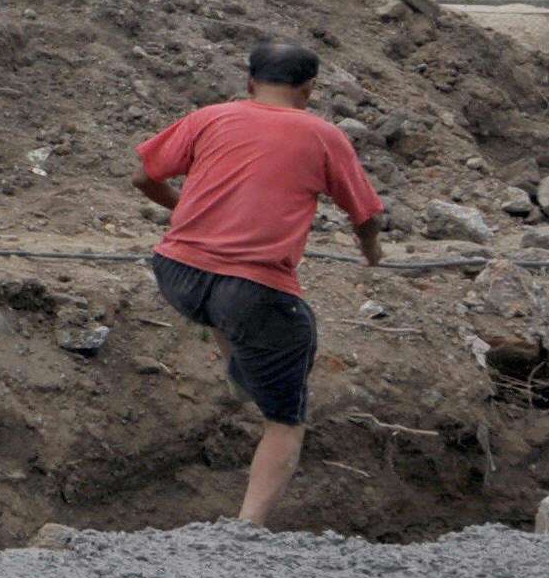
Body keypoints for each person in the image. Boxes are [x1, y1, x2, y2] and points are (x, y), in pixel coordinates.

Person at [135, 39, 384, 527]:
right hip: (252, 288)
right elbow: (366, 214)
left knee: (230, 309)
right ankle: (246, 531)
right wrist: (372, 252)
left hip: (176, 273)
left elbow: (143, 175)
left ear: (249, 81)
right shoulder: (323, 135)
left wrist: (186, 212)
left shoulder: (210, 117)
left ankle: (244, 377)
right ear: (309, 90)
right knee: (287, 421)